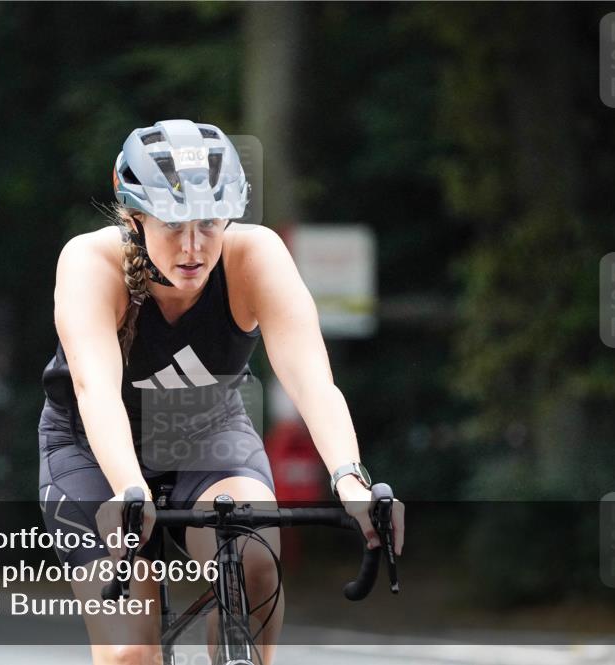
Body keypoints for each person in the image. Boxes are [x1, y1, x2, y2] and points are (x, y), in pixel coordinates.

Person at [39, 119, 404, 665]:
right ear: (135, 219)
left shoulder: (256, 257)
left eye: (209, 223)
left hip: (206, 435)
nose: (193, 247)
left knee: (254, 563)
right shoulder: (91, 264)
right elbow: (96, 392)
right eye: (173, 224)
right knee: (129, 652)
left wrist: (351, 478)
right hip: (93, 449)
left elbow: (312, 380)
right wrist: (129, 492)